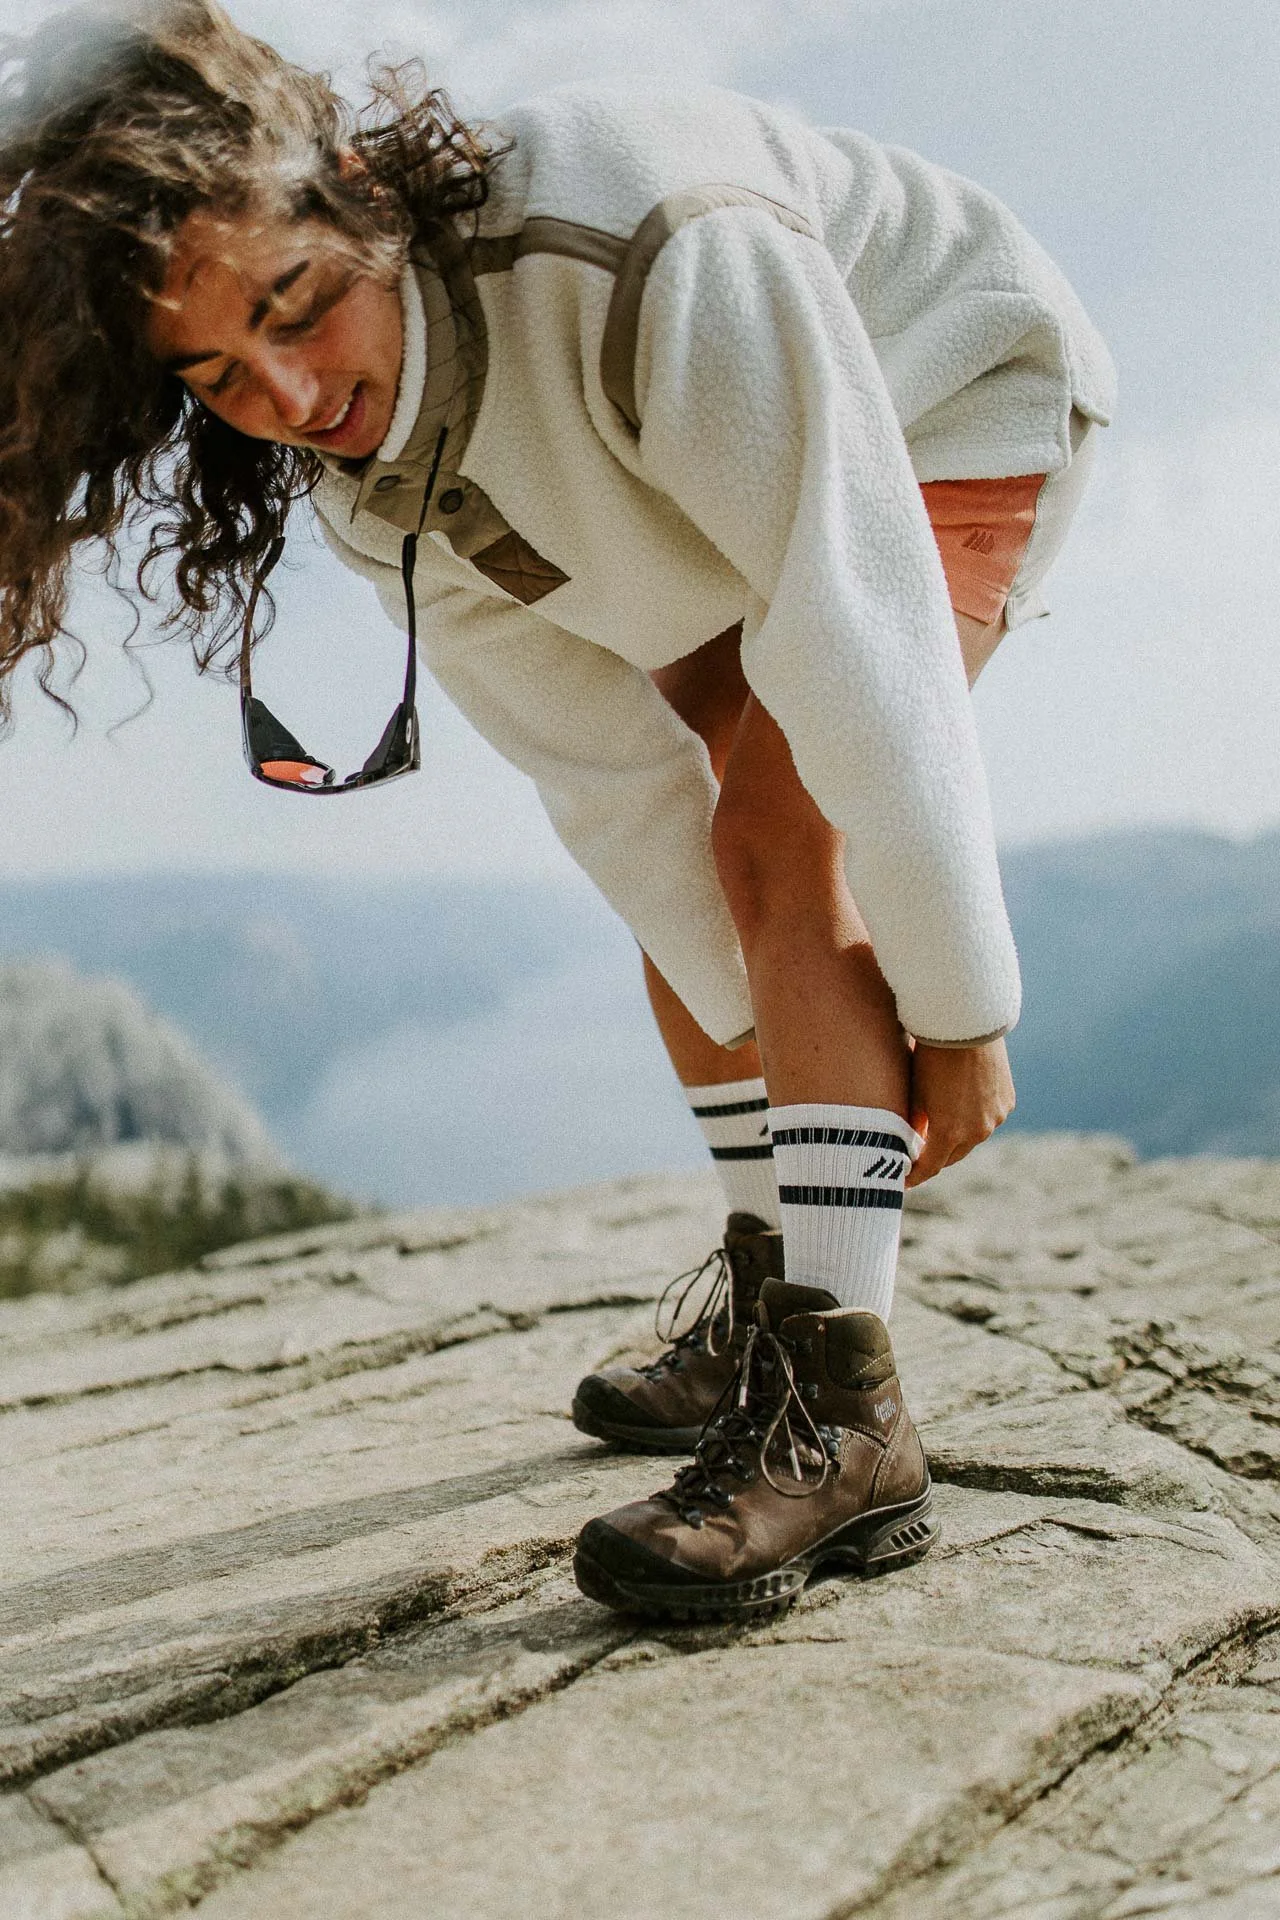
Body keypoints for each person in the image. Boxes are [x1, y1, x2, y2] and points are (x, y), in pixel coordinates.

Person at [0, 1, 1114, 1622]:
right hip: (696, 471)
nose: (288, 393)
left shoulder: (648, 242)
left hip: (938, 389)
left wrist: (958, 1011)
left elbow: (862, 654)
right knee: (701, 856)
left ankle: (847, 1425)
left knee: (774, 826)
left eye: (298, 307)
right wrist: (799, 1038)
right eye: (215, 375)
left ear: (359, 191)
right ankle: (777, 1309)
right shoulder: (369, 475)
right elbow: (610, 784)